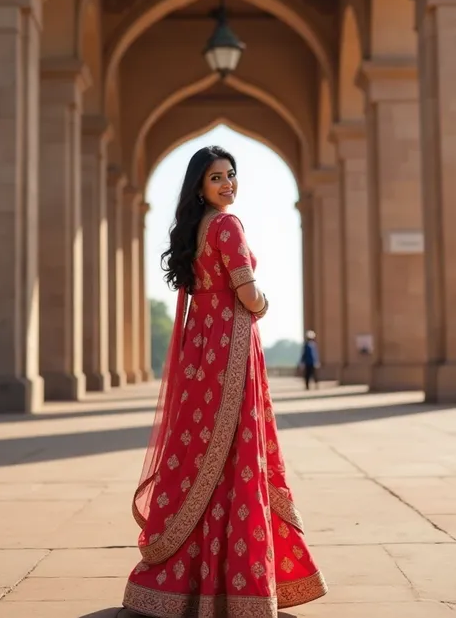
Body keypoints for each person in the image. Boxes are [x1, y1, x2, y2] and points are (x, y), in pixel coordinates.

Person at [123, 146, 327, 617]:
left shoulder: (194, 231)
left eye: (231, 175)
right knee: (237, 458)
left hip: (201, 355)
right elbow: (248, 294)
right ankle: (237, 585)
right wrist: (264, 304)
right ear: (200, 185)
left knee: (200, 457)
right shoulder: (227, 225)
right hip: (231, 352)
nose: (227, 184)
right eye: (217, 177)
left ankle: (186, 583)